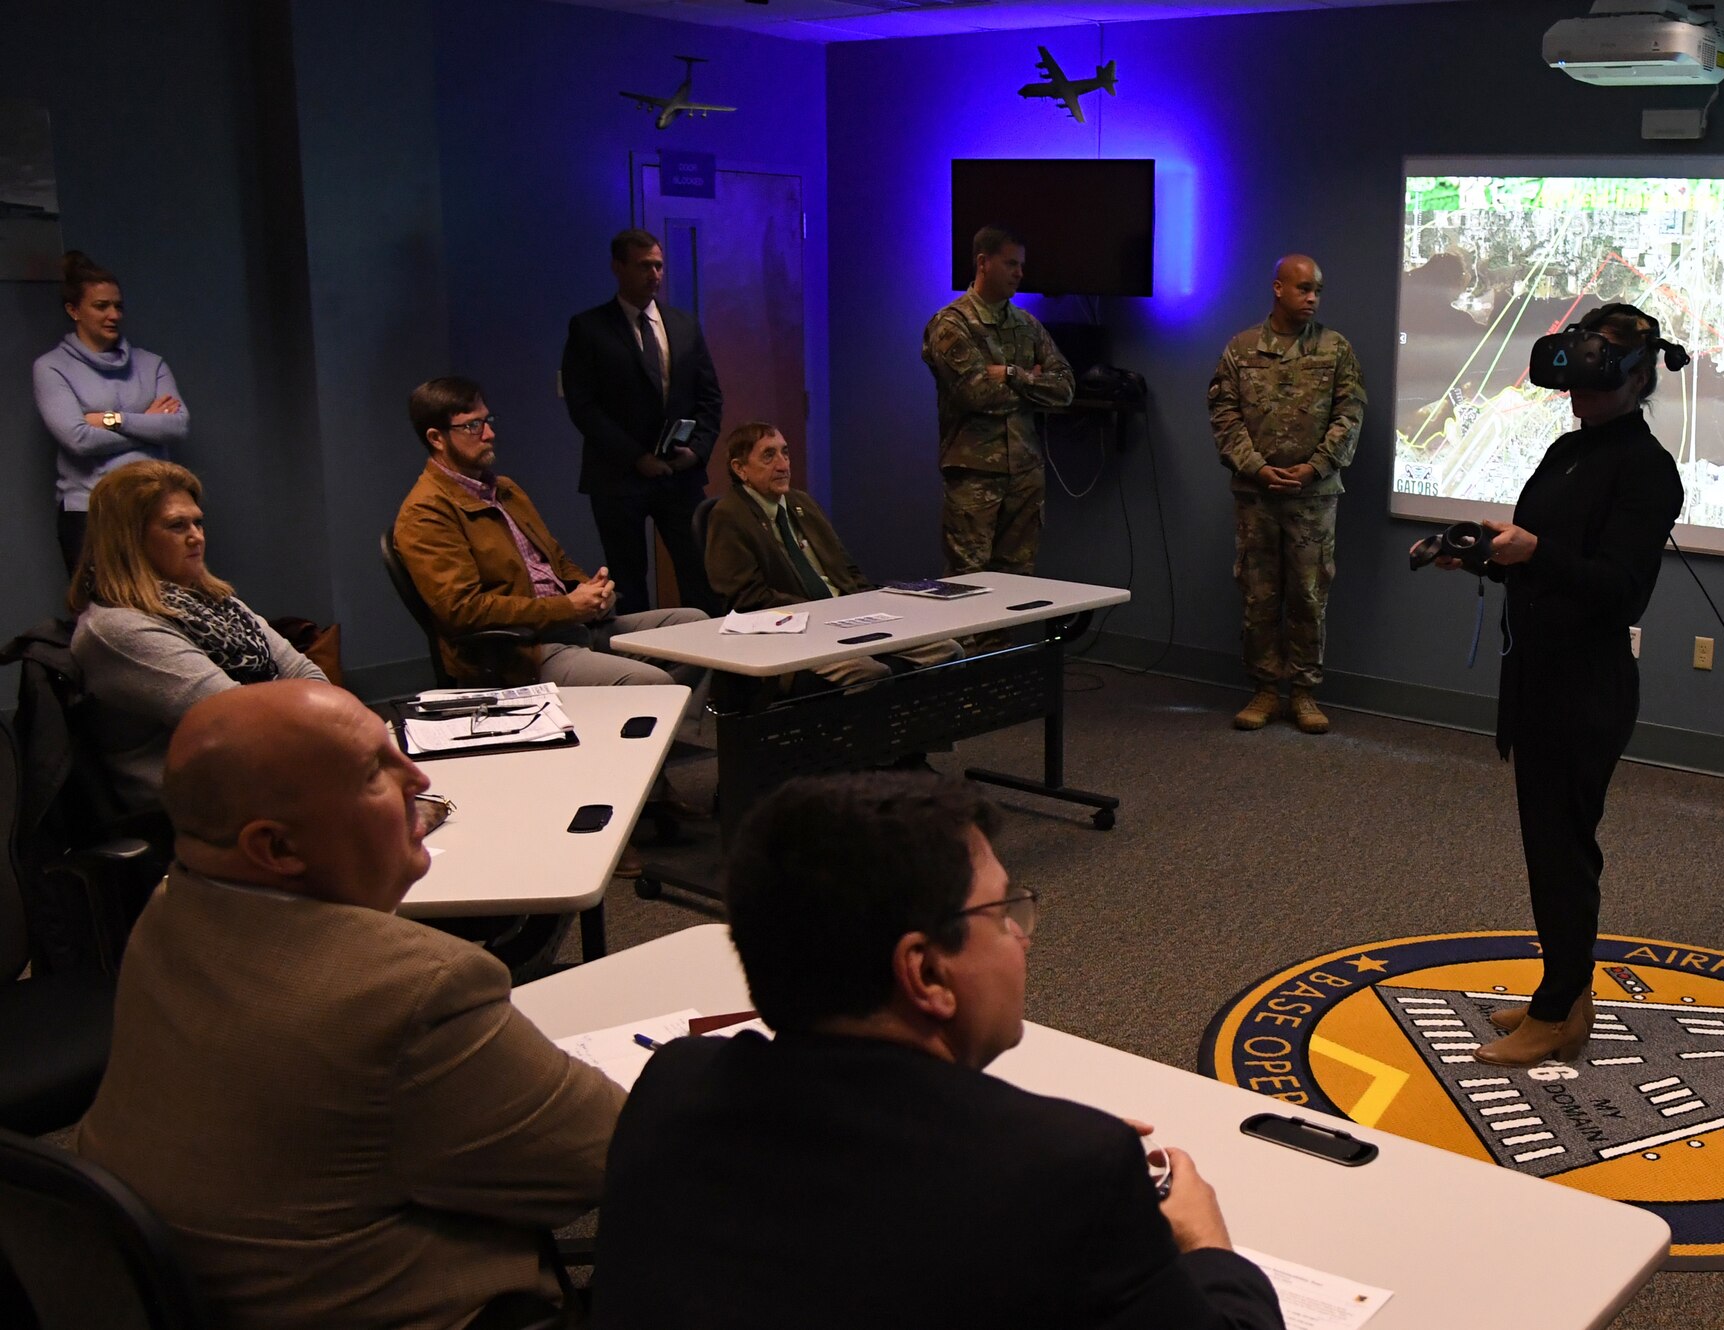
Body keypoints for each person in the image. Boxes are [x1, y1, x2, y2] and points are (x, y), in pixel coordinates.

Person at [591, 772, 1283, 1330]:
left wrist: (1031, 1138)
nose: (1023, 935)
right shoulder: (1073, 1173)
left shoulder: (675, 1082)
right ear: (924, 972)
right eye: (1001, 913)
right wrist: (1207, 1245)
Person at [76, 680, 624, 1330]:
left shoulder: (169, 912)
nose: (416, 776)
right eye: (374, 772)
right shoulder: (413, 989)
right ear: (276, 848)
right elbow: (609, 1154)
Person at [1415, 303, 1686, 1067]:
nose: (1580, 395)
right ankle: (1565, 991)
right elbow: (1546, 560)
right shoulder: (1572, 449)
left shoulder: (1646, 470)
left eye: (1598, 383)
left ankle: (1559, 1009)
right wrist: (1478, 554)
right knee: (1550, 848)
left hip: (1584, 689)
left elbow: (1619, 591)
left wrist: (1534, 552)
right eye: (1575, 382)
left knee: (1563, 853)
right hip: (1535, 677)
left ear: (1638, 378)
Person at [393, 375, 708, 689]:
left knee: (696, 626)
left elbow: (556, 561)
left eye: (487, 420)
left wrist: (592, 591)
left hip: (573, 624)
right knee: (650, 682)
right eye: (472, 426)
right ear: (436, 438)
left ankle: (649, 725)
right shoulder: (426, 513)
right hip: (520, 652)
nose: (489, 433)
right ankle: (650, 720)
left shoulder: (504, 490)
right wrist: (568, 607)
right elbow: (464, 610)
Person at [69, 460, 324, 813]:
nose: (197, 536)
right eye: (177, 525)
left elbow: (309, 676)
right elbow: (239, 720)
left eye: (198, 522)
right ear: (129, 540)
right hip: (201, 805)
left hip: (261, 770)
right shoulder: (117, 628)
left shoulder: (216, 601)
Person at [1207, 254, 1367, 735]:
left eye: (1317, 289)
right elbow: (1224, 414)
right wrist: (1256, 468)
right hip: (1257, 497)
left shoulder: (1336, 349)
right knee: (1258, 596)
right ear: (1278, 288)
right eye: (1303, 289)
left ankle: (1303, 693)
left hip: (1312, 499)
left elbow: (1351, 413)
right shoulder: (1241, 349)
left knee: (1308, 594)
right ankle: (1264, 690)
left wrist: (1315, 465)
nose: (1312, 298)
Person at [706, 420, 962, 689]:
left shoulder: (802, 502)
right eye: (769, 456)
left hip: (847, 619)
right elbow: (747, 598)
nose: (783, 465)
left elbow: (848, 570)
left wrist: (873, 607)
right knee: (866, 671)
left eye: (785, 453)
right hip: (796, 633)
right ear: (740, 468)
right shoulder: (729, 516)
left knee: (946, 650)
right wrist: (819, 614)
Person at [560, 227, 724, 615]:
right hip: (618, 475)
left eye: (659, 266)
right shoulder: (589, 328)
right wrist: (636, 457)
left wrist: (697, 452)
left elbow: (710, 397)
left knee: (700, 572)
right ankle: (647, 668)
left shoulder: (683, 325)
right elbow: (584, 407)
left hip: (678, 474)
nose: (654, 274)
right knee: (629, 580)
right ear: (618, 267)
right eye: (644, 266)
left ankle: (714, 663)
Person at [922, 224, 1074, 578]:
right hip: (974, 477)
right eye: (1010, 264)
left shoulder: (1027, 325)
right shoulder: (951, 324)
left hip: (1025, 475)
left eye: (1021, 264)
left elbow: (1065, 388)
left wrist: (1011, 374)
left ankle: (1006, 640)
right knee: (969, 582)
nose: (1020, 273)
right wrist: (1035, 383)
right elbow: (976, 394)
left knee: (1016, 583)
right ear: (983, 263)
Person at [33, 251, 190, 572]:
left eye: (118, 306)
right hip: (91, 511)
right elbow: (78, 439)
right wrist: (147, 423)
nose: (113, 315)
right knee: (103, 614)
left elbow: (177, 426)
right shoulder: (51, 368)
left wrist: (112, 420)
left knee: (167, 610)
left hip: (154, 506)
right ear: (74, 310)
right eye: (101, 306)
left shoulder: (151, 363)